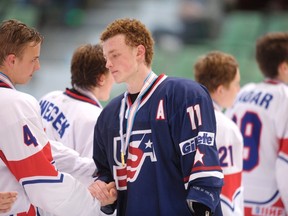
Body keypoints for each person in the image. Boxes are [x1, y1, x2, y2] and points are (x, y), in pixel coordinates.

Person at [89, 18, 224, 216]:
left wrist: (203, 202)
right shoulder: (109, 115)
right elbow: (105, 172)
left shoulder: (184, 96)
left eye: (115, 55)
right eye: (106, 57)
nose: (108, 64)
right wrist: (106, 192)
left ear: (139, 52)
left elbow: (202, 168)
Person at [0, 19, 116, 215]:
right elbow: (41, 182)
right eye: (33, 59)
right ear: (12, 60)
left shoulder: (48, 98)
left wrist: (90, 168)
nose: (37, 67)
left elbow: (41, 146)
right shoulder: (15, 103)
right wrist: (96, 205)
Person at [225, 32, 288, 215]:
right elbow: (285, 162)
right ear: (284, 67)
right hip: (272, 203)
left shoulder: (242, 93)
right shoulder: (285, 97)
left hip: (236, 200)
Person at [39, 43, 114, 187]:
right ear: (101, 79)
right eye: (110, 71)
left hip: (34, 190)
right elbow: (91, 176)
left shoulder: (49, 97)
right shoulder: (96, 118)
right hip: (62, 200)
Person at [194, 51, 244, 216]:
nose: (239, 90)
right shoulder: (225, 128)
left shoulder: (179, 118)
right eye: (236, 84)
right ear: (221, 89)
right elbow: (228, 196)